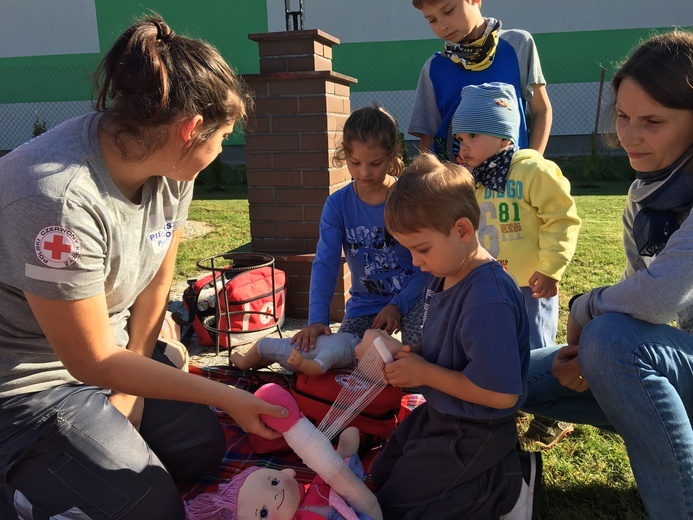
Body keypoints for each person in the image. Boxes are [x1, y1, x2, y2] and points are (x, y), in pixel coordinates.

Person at [0, 15, 288, 520]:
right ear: (191, 129)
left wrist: (134, 375)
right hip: (25, 389)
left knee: (199, 450)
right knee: (150, 508)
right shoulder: (56, 199)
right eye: (223, 137)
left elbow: (158, 273)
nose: (222, 149)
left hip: (101, 355)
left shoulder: (171, 167)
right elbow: (87, 361)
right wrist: (220, 395)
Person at [521, 31, 693, 519]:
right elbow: (636, 299)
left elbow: (659, 299)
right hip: (678, 360)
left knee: (613, 341)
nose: (628, 135)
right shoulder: (646, 191)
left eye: (653, 122)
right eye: (623, 116)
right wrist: (588, 354)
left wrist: (584, 308)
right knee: (511, 373)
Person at [370, 153, 539, 519]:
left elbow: (500, 393)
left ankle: (507, 485)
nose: (416, 262)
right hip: (442, 413)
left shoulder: (487, 299)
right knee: (382, 476)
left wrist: (425, 374)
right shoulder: (445, 273)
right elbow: (451, 345)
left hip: (476, 430)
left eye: (422, 249)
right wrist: (413, 353)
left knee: (395, 506)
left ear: (462, 230)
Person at [451, 81, 581, 448]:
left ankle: (551, 414)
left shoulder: (531, 169)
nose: (465, 146)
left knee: (538, 348)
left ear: (503, 132)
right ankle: (516, 398)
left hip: (532, 285)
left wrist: (552, 267)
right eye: (460, 138)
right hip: (493, 285)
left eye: (473, 135)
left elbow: (562, 218)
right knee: (502, 345)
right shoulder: (473, 181)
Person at [291, 105, 428, 352]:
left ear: (392, 154)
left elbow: (428, 262)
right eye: (355, 162)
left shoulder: (408, 198)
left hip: (414, 296)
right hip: (366, 303)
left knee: (418, 350)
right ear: (345, 154)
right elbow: (325, 263)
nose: (364, 172)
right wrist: (317, 320)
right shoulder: (337, 204)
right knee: (343, 354)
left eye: (375, 163)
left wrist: (398, 304)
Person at [409, 0, 552, 162]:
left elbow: (541, 110)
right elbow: (428, 137)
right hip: (453, 183)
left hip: (511, 180)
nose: (442, 26)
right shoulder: (433, 68)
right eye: (432, 20)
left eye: (448, 11)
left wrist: (533, 162)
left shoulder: (518, 44)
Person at [185, 426, 378, 520]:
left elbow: (326, 479)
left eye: (274, 482)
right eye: (263, 512)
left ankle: (343, 455)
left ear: (287, 473)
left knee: (335, 476)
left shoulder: (314, 489)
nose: (276, 495)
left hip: (350, 501)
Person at [230, 327, 402, 375]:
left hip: (293, 352)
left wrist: (302, 363)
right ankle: (256, 364)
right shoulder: (354, 342)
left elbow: (319, 367)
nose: (384, 334)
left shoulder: (338, 351)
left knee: (263, 346)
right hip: (297, 349)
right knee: (269, 356)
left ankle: (236, 358)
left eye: (383, 340)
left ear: (367, 356)